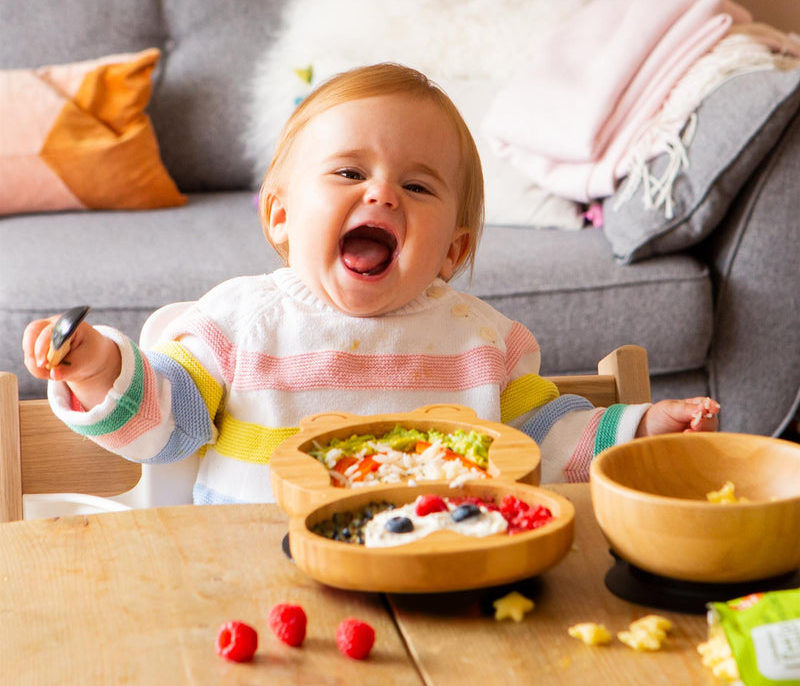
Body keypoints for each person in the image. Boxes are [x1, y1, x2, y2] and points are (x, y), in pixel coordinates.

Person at [22, 63, 719, 504]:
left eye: (417, 185)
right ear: (281, 215)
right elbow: (165, 427)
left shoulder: (480, 342)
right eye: (350, 173)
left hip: (436, 578)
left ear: (452, 251)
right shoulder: (235, 326)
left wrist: (640, 428)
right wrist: (101, 368)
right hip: (251, 578)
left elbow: (544, 438)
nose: (382, 194)